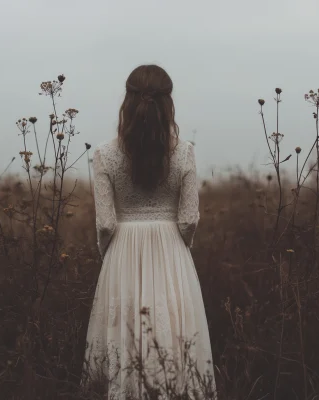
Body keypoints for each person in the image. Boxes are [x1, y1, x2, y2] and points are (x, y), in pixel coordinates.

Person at [83, 65, 217, 399]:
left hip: (122, 253)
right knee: (173, 335)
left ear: (127, 101)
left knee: (122, 340)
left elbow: (105, 223)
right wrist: (178, 249)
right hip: (172, 254)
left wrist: (110, 254)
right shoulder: (184, 151)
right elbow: (188, 219)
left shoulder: (104, 154)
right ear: (168, 103)